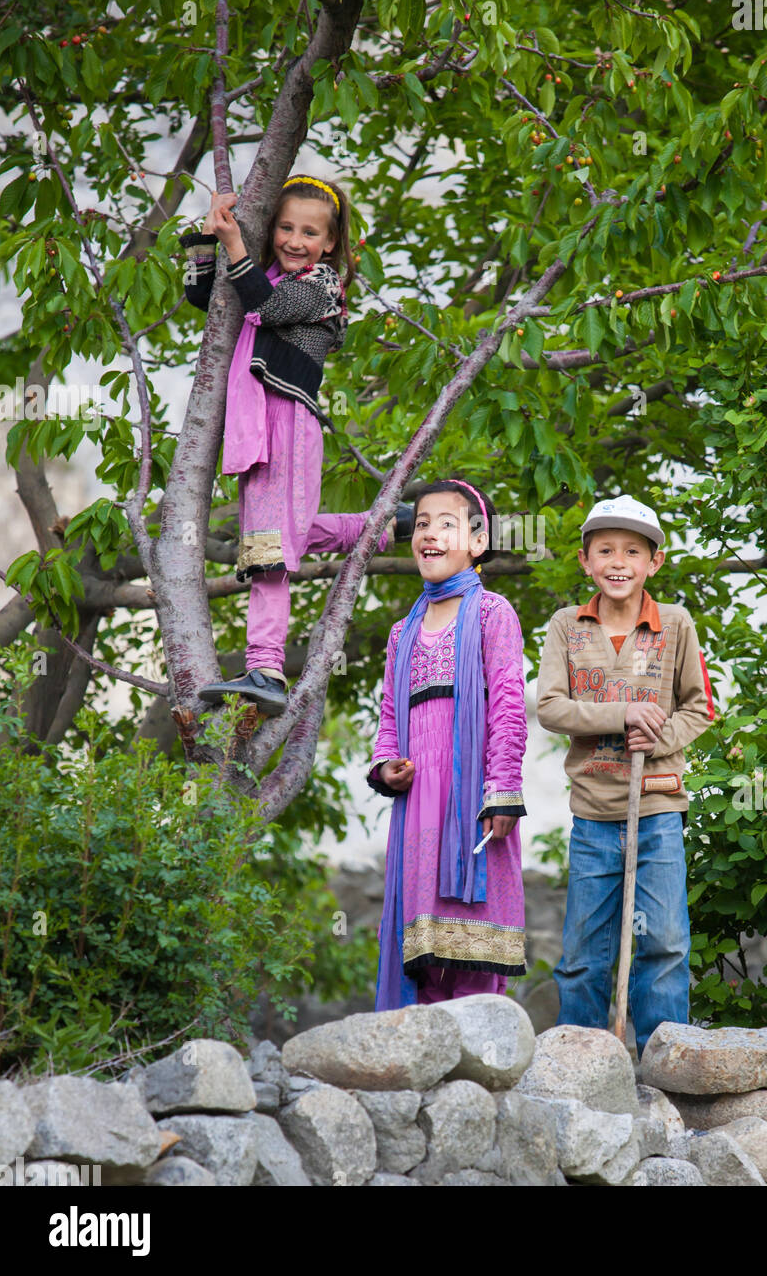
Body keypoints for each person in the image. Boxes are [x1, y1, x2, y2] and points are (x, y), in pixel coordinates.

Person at [178, 175, 412, 716]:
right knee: (289, 535)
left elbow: (271, 309)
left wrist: (236, 247)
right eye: (285, 227)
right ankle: (390, 525)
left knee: (267, 554)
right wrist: (207, 234)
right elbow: (203, 297)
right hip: (258, 428)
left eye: (309, 232)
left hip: (284, 424)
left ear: (329, 243)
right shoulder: (261, 276)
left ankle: (266, 669)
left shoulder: (323, 284)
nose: (294, 240)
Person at [535, 495, 715, 1059]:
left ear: (653, 563)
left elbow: (700, 707)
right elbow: (550, 707)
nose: (619, 561)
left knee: (662, 943)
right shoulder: (568, 627)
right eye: (605, 550)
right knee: (584, 952)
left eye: (632, 551)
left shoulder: (676, 625)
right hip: (593, 817)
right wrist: (622, 714)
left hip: (657, 810)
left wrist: (657, 737)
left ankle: (668, 1069)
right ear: (585, 560)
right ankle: (582, 1066)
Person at [368, 479, 528, 1008]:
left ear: (477, 543)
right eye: (421, 524)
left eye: (446, 523)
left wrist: (501, 792)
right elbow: (390, 716)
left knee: (473, 942)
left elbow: (508, 705)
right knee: (426, 950)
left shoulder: (491, 614)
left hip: (472, 802)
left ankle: (481, 1074)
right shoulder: (401, 633)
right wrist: (386, 766)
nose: (428, 534)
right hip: (419, 809)